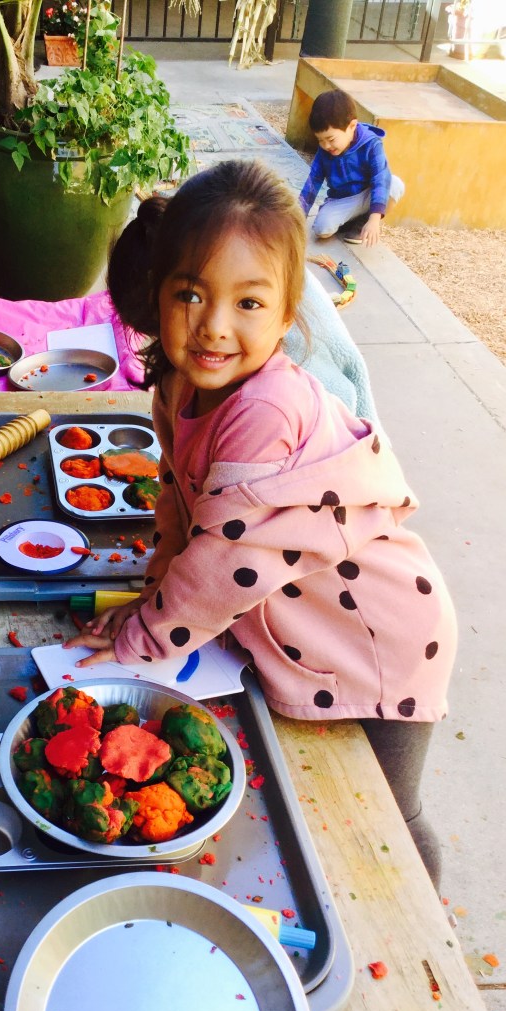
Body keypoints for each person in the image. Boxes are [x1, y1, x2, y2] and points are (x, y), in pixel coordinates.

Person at [64, 159, 456, 888]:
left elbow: (225, 562)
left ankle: (425, 934)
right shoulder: (179, 384)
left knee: (390, 818)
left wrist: (145, 635)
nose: (214, 327)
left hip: (382, 637)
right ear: (157, 293)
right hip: (303, 621)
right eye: (191, 294)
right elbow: (178, 509)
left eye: (248, 302)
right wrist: (150, 598)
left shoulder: (265, 409)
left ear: (286, 313)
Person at [298, 88, 404, 247]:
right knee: (322, 229)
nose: (326, 145)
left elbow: (380, 179)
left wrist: (375, 219)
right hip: (341, 199)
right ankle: (349, 220)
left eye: (331, 139)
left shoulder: (371, 143)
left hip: (368, 194)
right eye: (320, 140)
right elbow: (313, 181)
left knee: (395, 184)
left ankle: (363, 222)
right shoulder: (325, 149)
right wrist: (298, 217)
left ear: (352, 126)